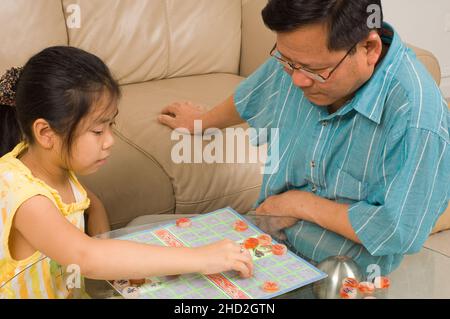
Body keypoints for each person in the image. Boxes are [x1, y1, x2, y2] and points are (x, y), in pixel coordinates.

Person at [158, 0, 450, 275]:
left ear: (369, 48)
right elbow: (256, 93)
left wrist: (298, 204)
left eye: (316, 70)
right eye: (288, 62)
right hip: (267, 243)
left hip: (339, 274)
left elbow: (397, 230)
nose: (297, 79)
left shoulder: (417, 118)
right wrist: (202, 121)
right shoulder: (301, 58)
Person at [0, 46, 253, 299]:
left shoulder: (50, 166)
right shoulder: (26, 198)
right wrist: (201, 258)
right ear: (46, 134)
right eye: (98, 131)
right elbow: (86, 258)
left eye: (112, 125)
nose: (110, 140)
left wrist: (109, 255)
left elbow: (91, 204)